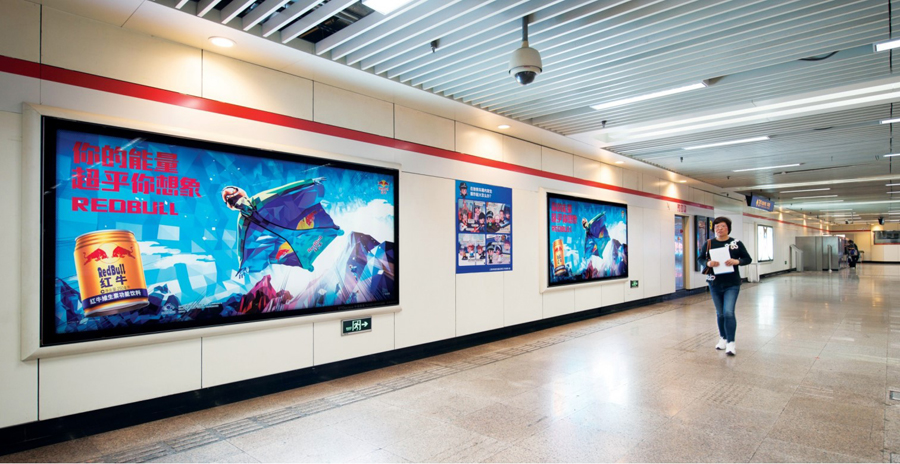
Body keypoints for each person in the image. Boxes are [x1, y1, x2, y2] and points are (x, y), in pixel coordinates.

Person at [222, 177, 343, 274]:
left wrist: (243, 264)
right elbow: (282, 191)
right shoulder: (247, 214)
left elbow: (243, 244)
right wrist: (308, 182)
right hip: (285, 230)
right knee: (294, 246)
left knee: (298, 241)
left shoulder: (248, 213)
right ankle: (331, 234)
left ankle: (331, 233)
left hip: (287, 229)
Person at [697, 216, 752, 356]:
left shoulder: (736, 243)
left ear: (728, 228)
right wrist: (708, 263)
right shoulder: (709, 243)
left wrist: (737, 261)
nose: (719, 229)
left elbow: (747, 259)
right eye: (716, 227)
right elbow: (700, 258)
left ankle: (731, 343)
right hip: (714, 283)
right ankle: (723, 338)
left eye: (722, 226)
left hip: (732, 283)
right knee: (720, 313)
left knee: (728, 312)